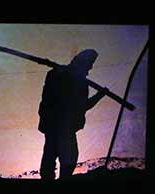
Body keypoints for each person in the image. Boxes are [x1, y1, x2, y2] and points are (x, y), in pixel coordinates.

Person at [37, 49, 106, 180]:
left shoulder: (79, 82)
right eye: (88, 65)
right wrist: (98, 96)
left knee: (63, 158)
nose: (89, 69)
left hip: (63, 127)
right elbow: (79, 105)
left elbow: (82, 106)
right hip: (57, 125)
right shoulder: (57, 74)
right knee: (56, 157)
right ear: (80, 63)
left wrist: (98, 96)